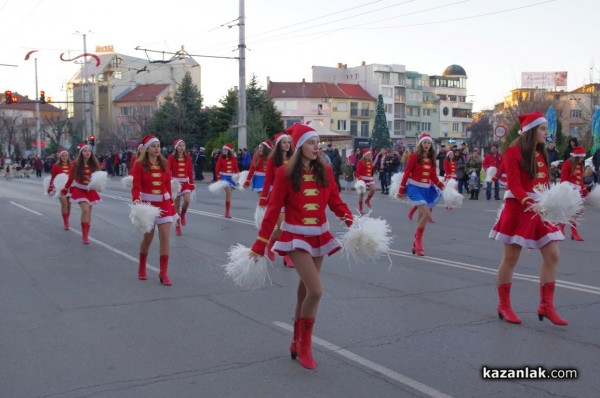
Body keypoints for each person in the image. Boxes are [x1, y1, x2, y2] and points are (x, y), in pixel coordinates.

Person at [249, 123, 353, 370]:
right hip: (295, 236)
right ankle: (305, 344)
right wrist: (259, 244)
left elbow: (336, 202)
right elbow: (273, 211)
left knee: (305, 291)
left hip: (319, 234)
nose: (316, 146)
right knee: (316, 291)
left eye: (318, 142)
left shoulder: (325, 171)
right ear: (299, 147)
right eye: (311, 142)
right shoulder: (284, 174)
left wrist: (355, 224)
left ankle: (296, 340)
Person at [489, 111, 567, 326]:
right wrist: (529, 203)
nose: (546, 133)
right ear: (532, 130)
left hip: (540, 210)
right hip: (518, 208)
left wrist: (554, 204)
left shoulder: (541, 153)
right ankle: (504, 305)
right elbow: (514, 184)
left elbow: (543, 185)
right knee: (511, 259)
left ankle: (546, 306)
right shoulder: (513, 151)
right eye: (542, 129)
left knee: (553, 255)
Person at [132, 135, 177, 285]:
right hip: (148, 206)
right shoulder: (139, 165)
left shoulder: (165, 163)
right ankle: (142, 267)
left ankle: (163, 273)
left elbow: (168, 186)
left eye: (158, 146)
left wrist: (171, 202)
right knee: (148, 238)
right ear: (146, 149)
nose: (157, 149)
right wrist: (137, 201)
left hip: (164, 204)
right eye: (153, 146)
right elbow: (136, 187)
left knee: (165, 237)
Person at [398, 133, 445, 256]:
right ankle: (418, 240)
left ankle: (415, 243)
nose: (427, 145)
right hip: (414, 188)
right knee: (427, 214)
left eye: (429, 143)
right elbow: (407, 172)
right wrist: (401, 188)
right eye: (425, 142)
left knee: (421, 217)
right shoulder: (414, 156)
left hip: (426, 189)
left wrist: (443, 186)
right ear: (421, 144)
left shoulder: (432, 158)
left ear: (431, 145)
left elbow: (433, 177)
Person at [260, 131, 294, 267]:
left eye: (288, 142)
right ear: (279, 145)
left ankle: (272, 243)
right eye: (284, 142)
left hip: (291, 197)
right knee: (284, 227)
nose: (287, 144)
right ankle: (286, 257)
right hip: (277, 196)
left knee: (287, 227)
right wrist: (263, 199)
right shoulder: (273, 160)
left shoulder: (294, 158)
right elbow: (268, 180)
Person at [61, 144, 102, 244]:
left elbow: (98, 177)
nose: (87, 152)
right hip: (79, 189)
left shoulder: (94, 164)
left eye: (89, 151)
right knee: (85, 210)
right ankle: (84, 235)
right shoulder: (75, 164)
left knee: (89, 213)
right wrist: (65, 188)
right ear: (81, 153)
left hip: (90, 190)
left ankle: (86, 235)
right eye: (85, 151)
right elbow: (71, 177)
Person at [559, 146, 589, 241]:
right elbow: (563, 180)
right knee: (572, 211)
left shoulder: (580, 165)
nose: (582, 159)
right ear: (576, 157)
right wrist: (566, 191)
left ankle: (563, 229)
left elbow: (580, 181)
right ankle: (571, 231)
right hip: (569, 191)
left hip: (578, 191)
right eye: (581, 157)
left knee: (576, 211)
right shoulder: (567, 164)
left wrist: (585, 191)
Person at [168, 139, 195, 236]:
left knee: (187, 200)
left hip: (185, 182)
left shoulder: (188, 157)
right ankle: (178, 226)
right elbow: (167, 171)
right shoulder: (171, 158)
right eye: (180, 146)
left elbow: (190, 172)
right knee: (176, 206)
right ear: (176, 147)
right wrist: (168, 183)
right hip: (175, 184)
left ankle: (183, 214)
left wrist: (191, 183)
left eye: (183, 146)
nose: (182, 147)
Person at [47, 149, 72, 230]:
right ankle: (66, 223)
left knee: (69, 205)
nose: (64, 157)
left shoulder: (71, 165)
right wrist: (50, 188)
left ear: (68, 157)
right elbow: (53, 177)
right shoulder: (55, 165)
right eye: (63, 156)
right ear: (60, 157)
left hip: (70, 187)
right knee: (64, 204)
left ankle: (67, 219)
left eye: (66, 156)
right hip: (60, 188)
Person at [215, 143, 240, 218]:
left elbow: (236, 168)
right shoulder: (220, 158)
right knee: (228, 192)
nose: (224, 151)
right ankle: (227, 212)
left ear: (229, 150)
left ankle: (227, 211)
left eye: (225, 149)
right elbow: (217, 169)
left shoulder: (233, 158)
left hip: (231, 178)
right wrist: (219, 178)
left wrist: (239, 177)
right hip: (224, 177)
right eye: (223, 149)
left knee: (229, 195)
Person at [355, 148, 376, 214]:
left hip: (369, 179)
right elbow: (357, 172)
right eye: (368, 155)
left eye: (370, 155)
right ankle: (361, 208)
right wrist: (359, 179)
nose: (369, 156)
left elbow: (371, 171)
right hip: (362, 179)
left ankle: (367, 200)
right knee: (362, 194)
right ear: (364, 156)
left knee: (373, 189)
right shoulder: (360, 162)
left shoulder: (370, 162)